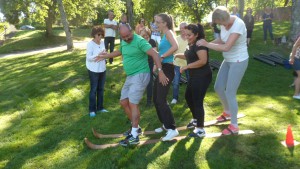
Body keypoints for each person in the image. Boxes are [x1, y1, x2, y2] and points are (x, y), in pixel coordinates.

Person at [96, 24, 168, 146]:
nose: (126, 38)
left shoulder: (140, 41)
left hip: (140, 75)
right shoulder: (124, 41)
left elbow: (155, 54)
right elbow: (120, 51)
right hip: (130, 76)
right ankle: (137, 128)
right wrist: (107, 55)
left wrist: (160, 72)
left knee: (132, 103)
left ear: (132, 31)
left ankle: (134, 136)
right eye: (123, 37)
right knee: (124, 102)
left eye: (128, 35)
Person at [196, 6, 249, 135]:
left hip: (239, 60)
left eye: (220, 23)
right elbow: (221, 39)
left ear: (223, 18)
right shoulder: (224, 24)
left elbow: (226, 47)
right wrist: (206, 45)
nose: (220, 25)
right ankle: (228, 112)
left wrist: (207, 44)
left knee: (230, 92)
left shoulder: (238, 25)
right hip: (228, 59)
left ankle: (234, 125)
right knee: (218, 87)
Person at [175, 24, 212, 137]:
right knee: (188, 97)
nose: (186, 36)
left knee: (197, 101)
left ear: (196, 34)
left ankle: (200, 130)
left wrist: (187, 66)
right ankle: (196, 120)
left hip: (202, 76)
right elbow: (189, 55)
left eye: (189, 35)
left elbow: (202, 61)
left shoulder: (200, 44)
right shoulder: (191, 43)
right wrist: (176, 55)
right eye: (185, 34)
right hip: (194, 76)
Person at [153, 13, 179, 141]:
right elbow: (163, 51)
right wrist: (157, 61)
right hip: (163, 68)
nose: (156, 24)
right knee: (156, 98)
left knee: (161, 100)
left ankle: (172, 129)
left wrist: (162, 57)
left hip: (168, 69)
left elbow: (176, 47)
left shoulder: (168, 33)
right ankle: (165, 124)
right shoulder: (164, 35)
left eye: (158, 22)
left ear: (165, 23)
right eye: (155, 22)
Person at [86, 26, 109, 117]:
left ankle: (100, 108)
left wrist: (104, 54)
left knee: (101, 89)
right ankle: (92, 110)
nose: (100, 36)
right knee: (94, 89)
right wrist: (98, 55)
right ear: (94, 35)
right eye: (99, 35)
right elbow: (89, 57)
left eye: (102, 35)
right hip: (93, 69)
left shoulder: (102, 42)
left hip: (102, 68)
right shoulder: (90, 44)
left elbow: (103, 53)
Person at [171, 22, 189, 104]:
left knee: (190, 81)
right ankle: (175, 98)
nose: (182, 30)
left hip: (188, 64)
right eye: (180, 28)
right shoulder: (176, 39)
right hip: (178, 64)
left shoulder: (190, 38)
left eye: (184, 28)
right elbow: (173, 51)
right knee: (176, 82)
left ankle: (190, 97)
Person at [139, 28, 157, 106]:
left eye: (146, 35)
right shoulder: (140, 42)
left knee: (149, 82)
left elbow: (155, 53)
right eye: (143, 36)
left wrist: (155, 65)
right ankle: (136, 99)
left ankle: (149, 100)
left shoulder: (152, 41)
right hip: (142, 63)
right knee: (140, 81)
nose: (145, 37)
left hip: (149, 63)